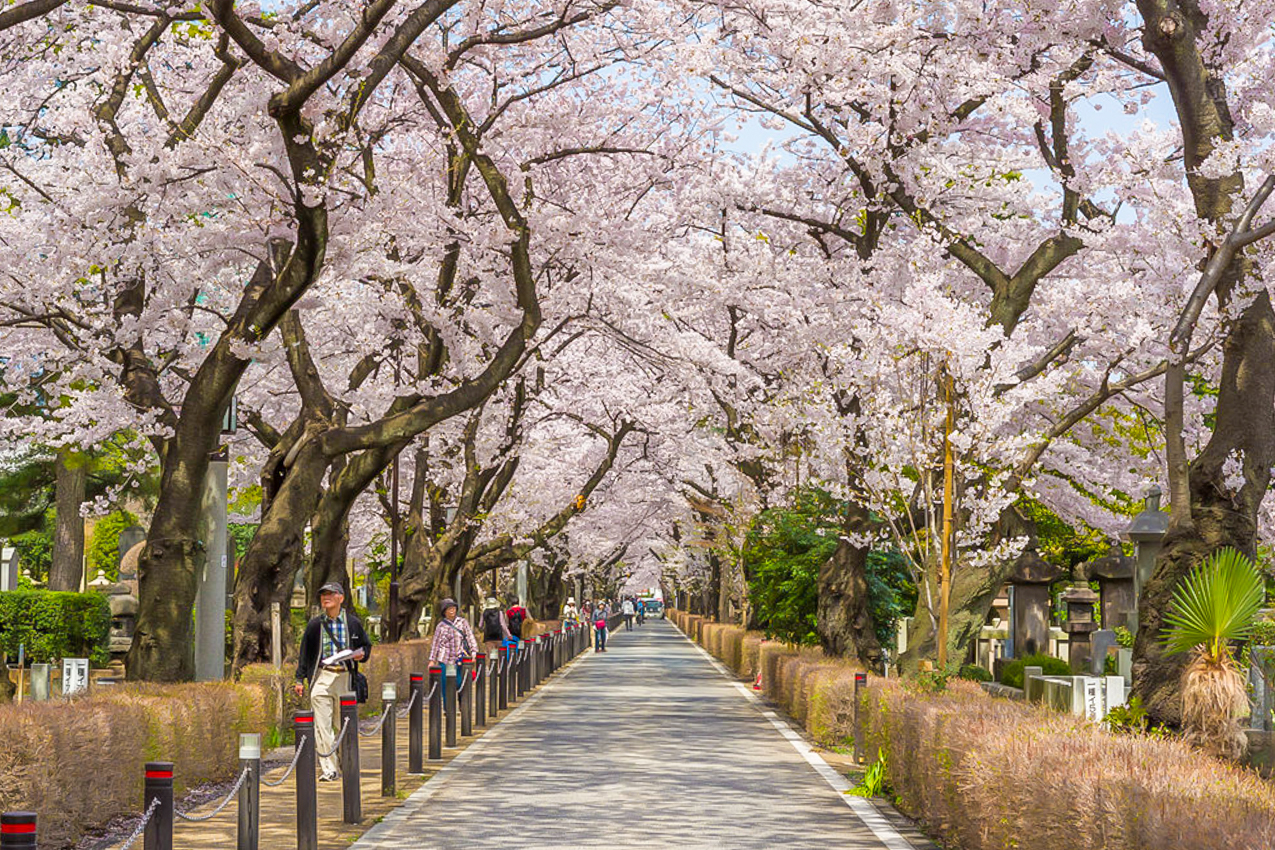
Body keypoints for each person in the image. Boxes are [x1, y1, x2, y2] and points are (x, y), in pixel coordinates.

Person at [294, 582, 373, 782]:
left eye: (330, 594)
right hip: (322, 676)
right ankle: (329, 768)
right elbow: (305, 652)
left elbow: (365, 646)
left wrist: (361, 655)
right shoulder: (315, 625)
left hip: (345, 676)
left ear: (341, 598)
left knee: (344, 724)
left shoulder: (353, 623)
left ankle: (347, 762)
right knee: (322, 726)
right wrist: (299, 679)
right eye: (323, 595)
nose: (325, 598)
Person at [429, 597, 477, 708]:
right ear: (444, 611)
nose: (452, 611)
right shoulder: (440, 626)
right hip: (445, 659)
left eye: (453, 608)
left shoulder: (462, 622)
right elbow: (435, 644)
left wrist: (474, 653)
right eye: (449, 609)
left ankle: (462, 703)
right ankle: (448, 708)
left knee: (460, 682)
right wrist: (432, 660)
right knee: (445, 684)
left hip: (459, 658)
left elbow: (470, 638)